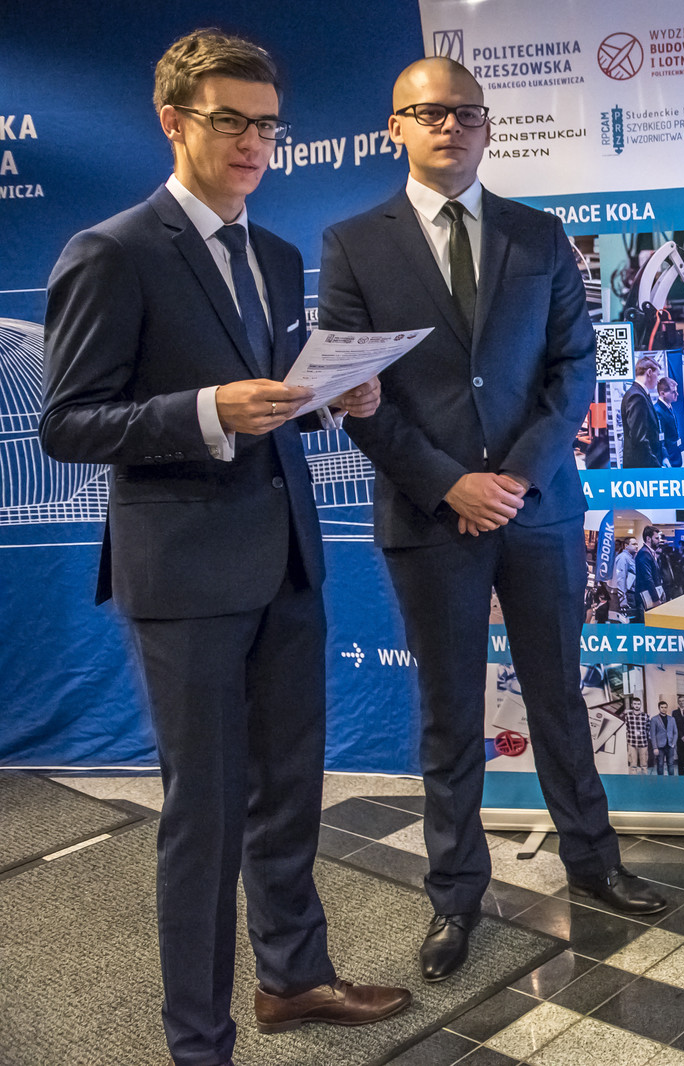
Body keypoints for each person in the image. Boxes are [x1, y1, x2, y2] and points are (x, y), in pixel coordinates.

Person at [37, 29, 404, 1065]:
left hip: (285, 561)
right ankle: (198, 1040)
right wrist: (206, 410)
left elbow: (271, 400)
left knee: (288, 794)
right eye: (230, 120)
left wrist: (332, 401)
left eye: (268, 126)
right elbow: (68, 424)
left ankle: (293, 979)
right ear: (174, 121)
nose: (253, 143)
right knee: (202, 816)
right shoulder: (111, 252)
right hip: (186, 577)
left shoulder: (276, 254)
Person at [318, 55, 666, 983]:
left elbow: (574, 369)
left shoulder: (538, 234)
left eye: (466, 112)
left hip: (536, 506)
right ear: (396, 126)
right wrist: (450, 485)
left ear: (486, 126)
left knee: (558, 694)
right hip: (429, 514)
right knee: (448, 712)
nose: (450, 126)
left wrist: (510, 479)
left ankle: (593, 863)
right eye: (429, 112)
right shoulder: (353, 245)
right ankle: (454, 897)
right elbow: (356, 390)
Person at [621, 354, 664, 467]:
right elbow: (640, 439)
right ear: (649, 372)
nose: (658, 380)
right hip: (642, 466)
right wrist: (657, 466)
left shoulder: (640, 394)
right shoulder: (637, 396)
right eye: (657, 375)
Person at [635, 525, 667, 614]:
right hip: (646, 596)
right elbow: (647, 578)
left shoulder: (648, 552)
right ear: (648, 539)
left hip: (649, 594)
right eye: (656, 538)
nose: (659, 541)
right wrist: (655, 599)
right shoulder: (644, 553)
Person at [655, 376, 684, 466]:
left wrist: (681, 450)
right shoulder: (657, 410)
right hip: (669, 460)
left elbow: (675, 433)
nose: (677, 394)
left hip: (676, 456)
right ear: (662, 393)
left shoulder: (670, 407)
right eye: (673, 392)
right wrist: (665, 458)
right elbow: (660, 438)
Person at [612, 535, 640, 622]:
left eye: (637, 544)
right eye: (634, 544)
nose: (636, 546)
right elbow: (620, 579)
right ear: (626, 546)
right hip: (627, 595)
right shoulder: (623, 558)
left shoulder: (630, 558)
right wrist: (623, 600)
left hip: (631, 594)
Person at [622, 695, 651, 774]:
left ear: (640, 705)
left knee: (644, 765)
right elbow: (626, 728)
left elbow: (648, 728)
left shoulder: (645, 716)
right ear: (632, 705)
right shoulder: (628, 716)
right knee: (633, 765)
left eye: (638, 704)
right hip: (632, 742)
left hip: (643, 743)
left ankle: (644, 780)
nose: (637, 705)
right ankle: (633, 780)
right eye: (635, 704)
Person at [650, 700, 679, 776]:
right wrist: (655, 747)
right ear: (659, 708)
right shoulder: (654, 719)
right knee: (660, 764)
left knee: (671, 764)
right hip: (660, 746)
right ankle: (661, 782)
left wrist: (673, 743)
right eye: (662, 707)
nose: (664, 709)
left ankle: (671, 781)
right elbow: (653, 734)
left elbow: (675, 732)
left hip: (670, 745)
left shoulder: (672, 719)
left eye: (665, 707)